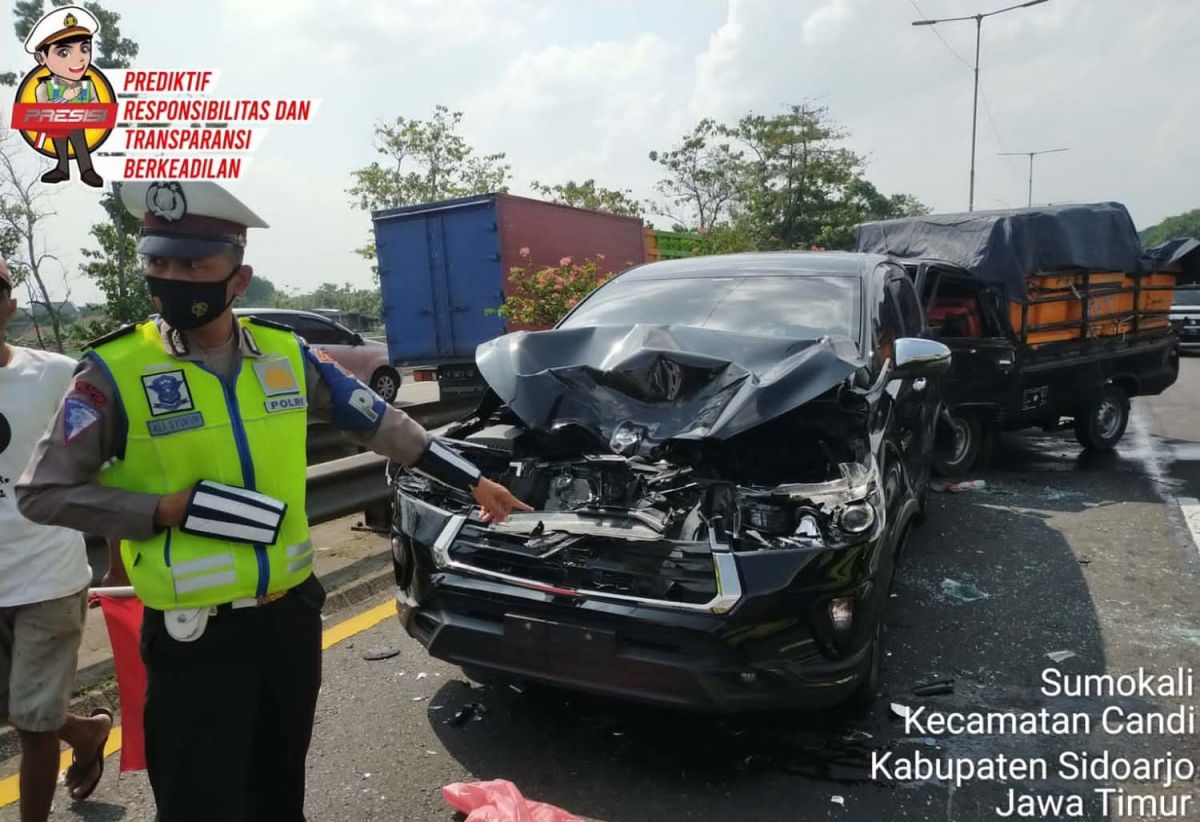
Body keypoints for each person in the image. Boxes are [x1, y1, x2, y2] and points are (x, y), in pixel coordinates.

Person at [17, 180, 531, 821]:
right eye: (159, 263)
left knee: (279, 792)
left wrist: (472, 479)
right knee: (201, 804)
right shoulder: (112, 372)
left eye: (194, 266)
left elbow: (384, 424)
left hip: (287, 620)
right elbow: (43, 492)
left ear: (238, 276)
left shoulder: (287, 356)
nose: (172, 279)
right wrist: (157, 511)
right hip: (192, 636)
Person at [0, 258, 113, 821]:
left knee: (34, 726)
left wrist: (120, 558)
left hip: (48, 577)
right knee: (18, 710)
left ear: (10, 305)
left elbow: (110, 467)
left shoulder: (56, 375)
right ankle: (89, 733)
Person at [24, 5, 106, 187]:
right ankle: (63, 167)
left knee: (78, 136)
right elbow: (42, 114)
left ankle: (86, 169)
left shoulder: (88, 85)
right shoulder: (44, 87)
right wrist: (65, 99)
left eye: (84, 49)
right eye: (64, 52)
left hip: (78, 124)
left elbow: (99, 110)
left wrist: (86, 109)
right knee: (59, 132)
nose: (78, 59)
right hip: (57, 127)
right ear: (41, 58)